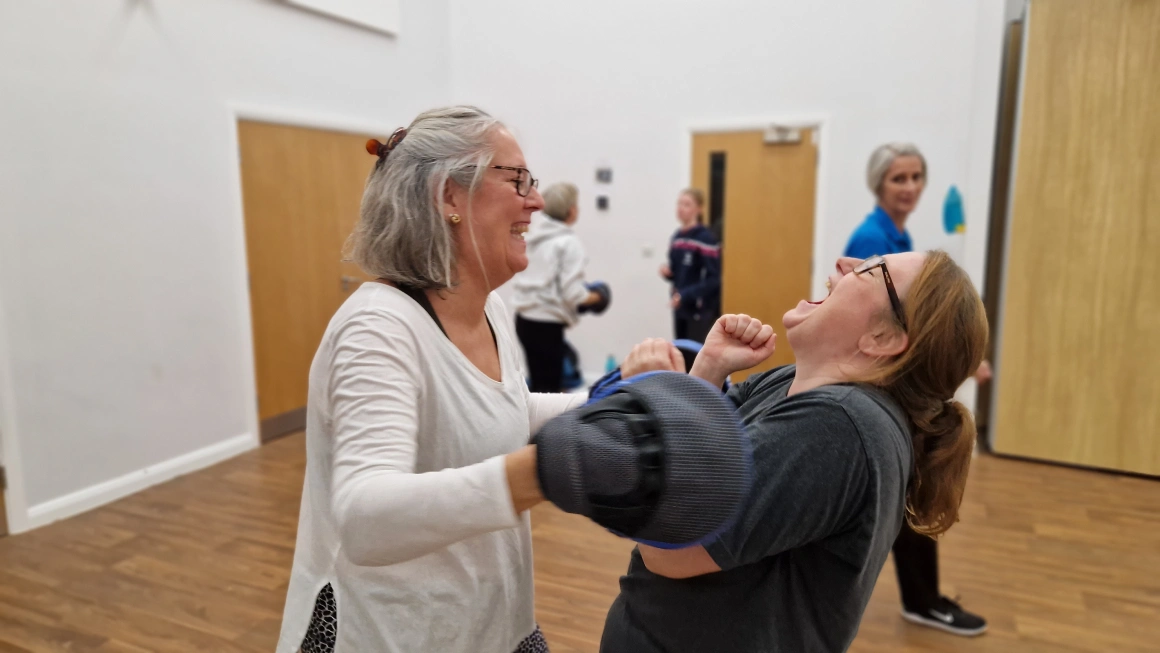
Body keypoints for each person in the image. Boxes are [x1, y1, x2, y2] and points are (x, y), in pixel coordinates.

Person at [276, 106, 586, 653]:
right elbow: (366, 518)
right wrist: (545, 471)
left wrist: (623, 400)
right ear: (449, 196)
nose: (535, 201)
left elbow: (503, 414)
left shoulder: (492, 311)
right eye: (517, 180)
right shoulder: (378, 329)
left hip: (493, 624)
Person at [599, 250, 989, 652]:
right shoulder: (790, 384)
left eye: (873, 268)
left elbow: (668, 548)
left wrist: (658, 397)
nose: (844, 262)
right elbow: (696, 454)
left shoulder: (838, 425)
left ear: (883, 338)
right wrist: (708, 372)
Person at [844, 142, 987, 636]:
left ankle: (922, 598)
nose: (909, 188)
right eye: (898, 179)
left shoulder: (896, 234)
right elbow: (875, 323)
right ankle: (922, 600)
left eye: (915, 177)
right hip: (884, 385)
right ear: (879, 185)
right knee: (914, 491)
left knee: (912, 492)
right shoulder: (872, 237)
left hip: (893, 384)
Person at [512, 182, 602, 392]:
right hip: (547, 325)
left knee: (537, 388)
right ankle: (544, 426)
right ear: (571, 211)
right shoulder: (569, 243)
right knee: (550, 391)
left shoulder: (533, 236)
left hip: (524, 320)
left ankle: (533, 426)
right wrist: (598, 297)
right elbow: (573, 294)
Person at [660, 188, 720, 343]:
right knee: (681, 354)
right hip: (679, 307)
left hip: (698, 310)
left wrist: (686, 295)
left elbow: (713, 280)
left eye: (687, 204)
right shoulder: (677, 237)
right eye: (679, 203)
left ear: (698, 209)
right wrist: (668, 273)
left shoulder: (705, 238)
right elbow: (678, 273)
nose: (681, 208)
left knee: (695, 356)